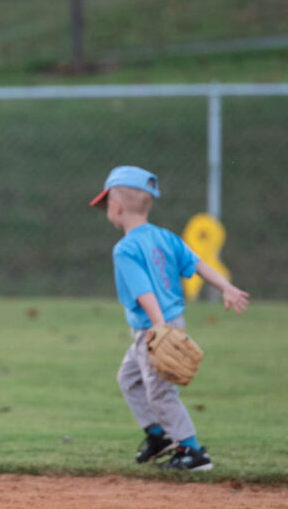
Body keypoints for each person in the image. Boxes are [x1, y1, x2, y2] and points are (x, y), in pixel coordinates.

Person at [90, 165, 250, 471]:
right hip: (166, 324)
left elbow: (143, 291)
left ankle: (192, 451)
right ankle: (158, 435)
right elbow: (198, 264)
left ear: (117, 206)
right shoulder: (166, 237)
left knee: (160, 392)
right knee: (128, 379)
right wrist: (226, 287)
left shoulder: (125, 249)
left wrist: (158, 326)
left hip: (155, 329)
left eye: (106, 203)